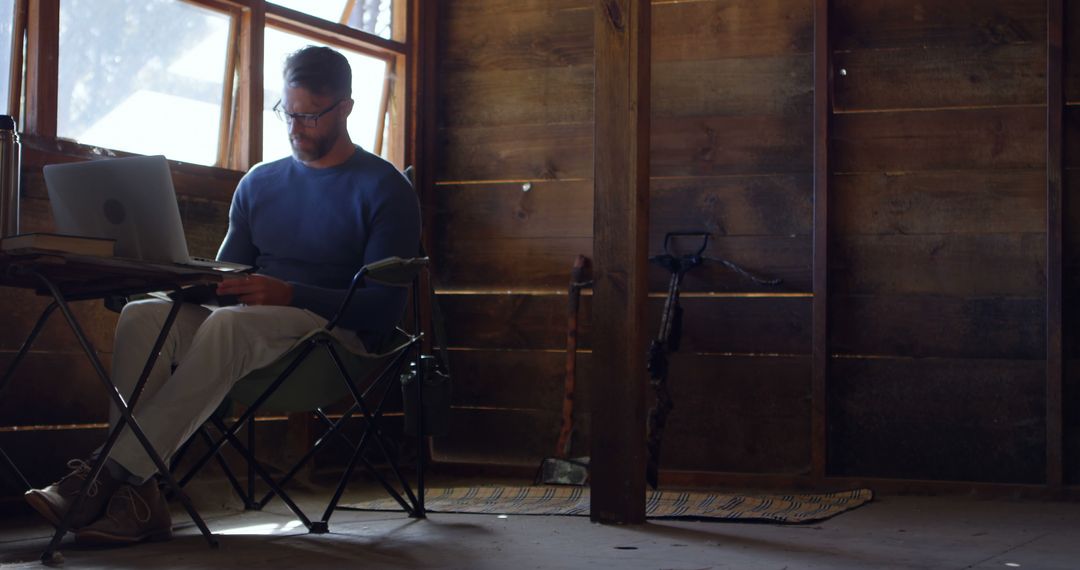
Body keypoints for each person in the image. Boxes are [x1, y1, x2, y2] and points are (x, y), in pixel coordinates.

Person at [24, 46, 421, 545]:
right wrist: (183, 283)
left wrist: (288, 292)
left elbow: (381, 311)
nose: (295, 127)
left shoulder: (384, 189)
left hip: (335, 340)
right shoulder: (259, 183)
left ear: (345, 108)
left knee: (230, 325)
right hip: (251, 333)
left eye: (309, 116)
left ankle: (102, 476)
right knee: (144, 316)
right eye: (286, 112)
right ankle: (138, 499)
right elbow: (226, 282)